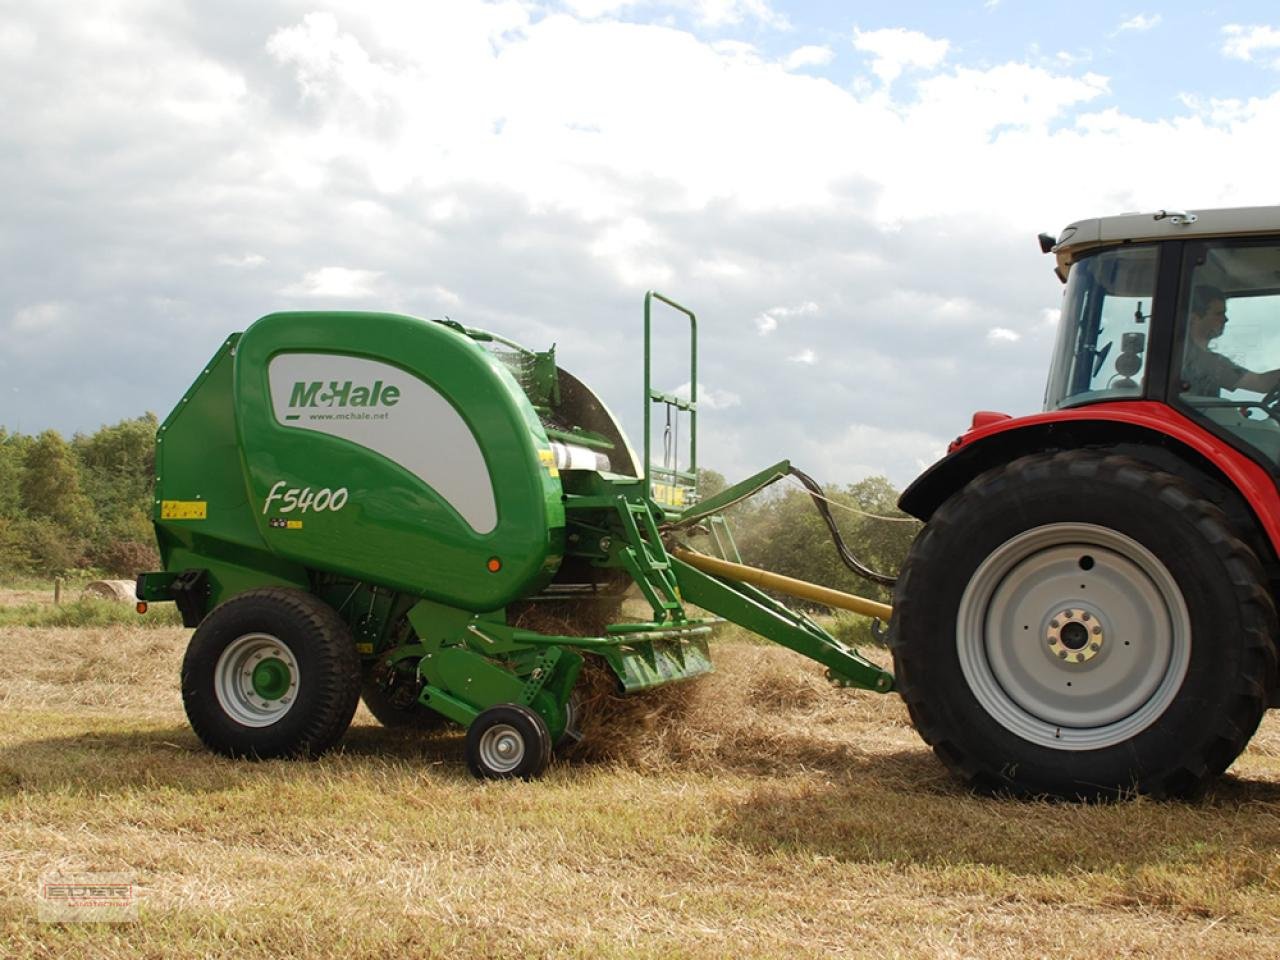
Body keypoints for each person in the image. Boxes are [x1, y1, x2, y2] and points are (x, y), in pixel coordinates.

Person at [1181, 285, 1280, 397]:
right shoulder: (1200, 359)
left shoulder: (1185, 353)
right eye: (1218, 314)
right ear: (1194, 319)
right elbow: (1261, 384)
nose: (1225, 319)